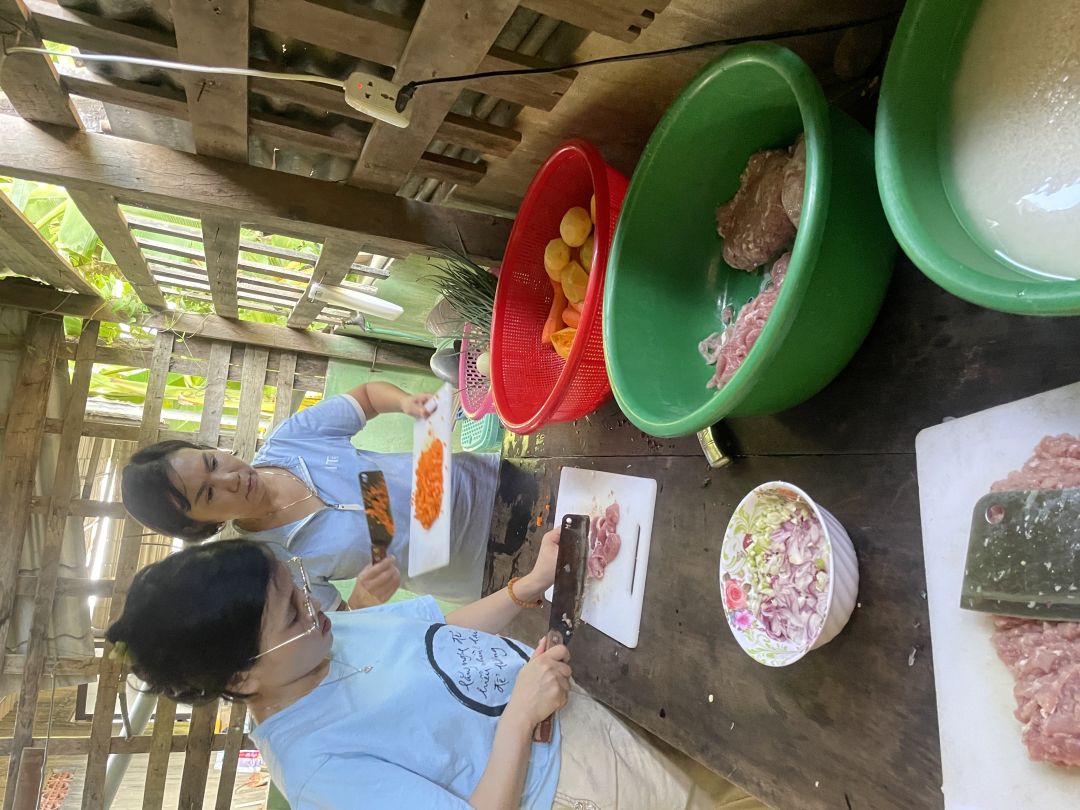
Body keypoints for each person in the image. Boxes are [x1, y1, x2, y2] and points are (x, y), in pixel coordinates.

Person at [105, 531, 764, 810]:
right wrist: (518, 716)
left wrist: (528, 586)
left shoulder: (315, 642)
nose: (317, 607)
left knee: (746, 773)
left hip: (576, 705)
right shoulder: (317, 768)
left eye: (299, 585)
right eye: (292, 613)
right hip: (577, 785)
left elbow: (437, 637)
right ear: (242, 679)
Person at [120, 381, 500, 609]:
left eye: (212, 462)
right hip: (481, 569)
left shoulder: (289, 441)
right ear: (199, 526)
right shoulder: (272, 564)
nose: (230, 479)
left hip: (493, 485)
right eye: (208, 494)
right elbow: (342, 623)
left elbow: (367, 397)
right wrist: (362, 601)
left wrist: (404, 403)